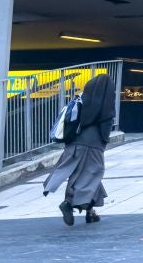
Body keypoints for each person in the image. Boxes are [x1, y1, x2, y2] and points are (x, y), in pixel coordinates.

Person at [45, 72, 115, 226]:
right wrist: (104, 140)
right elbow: (106, 128)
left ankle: (91, 212)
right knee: (92, 173)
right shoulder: (105, 105)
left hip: (74, 142)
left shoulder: (82, 100)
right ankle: (69, 203)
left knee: (82, 174)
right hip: (93, 144)